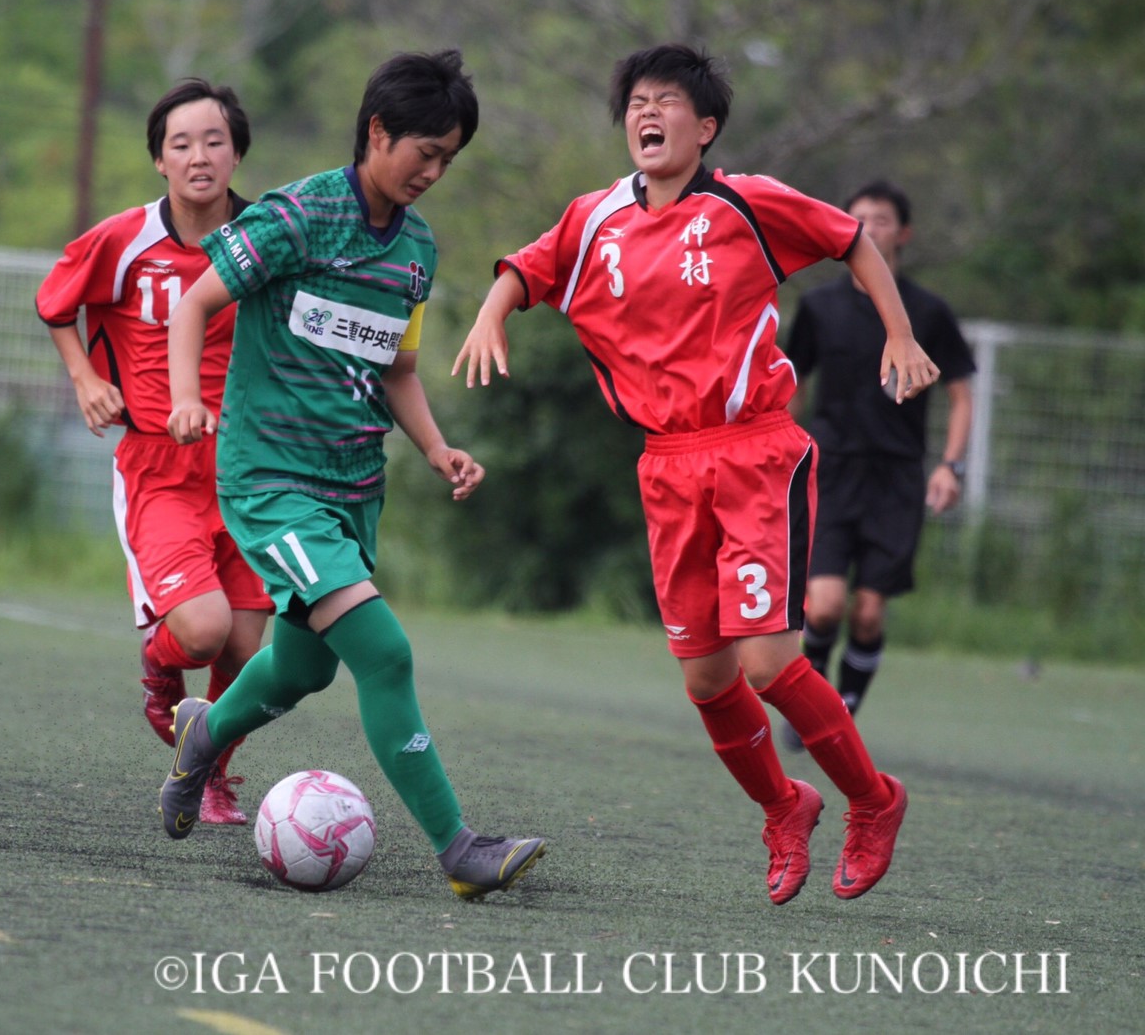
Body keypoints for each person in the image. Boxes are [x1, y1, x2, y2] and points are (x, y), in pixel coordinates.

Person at [453, 44, 936, 905]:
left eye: (668, 99)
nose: (649, 111)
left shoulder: (745, 203)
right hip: (667, 468)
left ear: (704, 127)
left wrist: (899, 335)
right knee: (706, 680)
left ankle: (875, 800)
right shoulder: (595, 218)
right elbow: (526, 270)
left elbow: (850, 239)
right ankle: (786, 807)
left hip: (755, 450)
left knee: (768, 662)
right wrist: (493, 315)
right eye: (638, 98)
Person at [159, 49, 546, 900]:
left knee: (302, 670)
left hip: (353, 489)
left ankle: (203, 737)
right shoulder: (301, 214)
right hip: (271, 484)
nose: (435, 172)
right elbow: (195, 302)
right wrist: (187, 398)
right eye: (426, 152)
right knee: (383, 652)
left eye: (449, 159)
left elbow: (397, 368)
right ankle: (460, 851)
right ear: (378, 131)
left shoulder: (415, 249)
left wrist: (438, 448)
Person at [36, 79, 272, 823]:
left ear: (237, 152)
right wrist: (84, 377)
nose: (199, 156)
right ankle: (159, 677)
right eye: (181, 144)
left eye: (214, 141)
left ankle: (209, 775)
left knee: (245, 644)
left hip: (251, 469)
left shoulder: (267, 234)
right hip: (158, 468)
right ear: (159, 161)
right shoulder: (123, 238)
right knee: (199, 632)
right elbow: (55, 301)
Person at [779, 180, 975, 747]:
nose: (868, 226)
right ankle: (811, 706)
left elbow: (961, 394)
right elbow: (793, 382)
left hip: (896, 476)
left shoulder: (930, 312)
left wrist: (950, 466)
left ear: (903, 232)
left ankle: (844, 707)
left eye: (881, 218)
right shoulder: (819, 307)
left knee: (867, 614)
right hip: (831, 470)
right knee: (825, 607)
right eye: (857, 217)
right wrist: (787, 447)